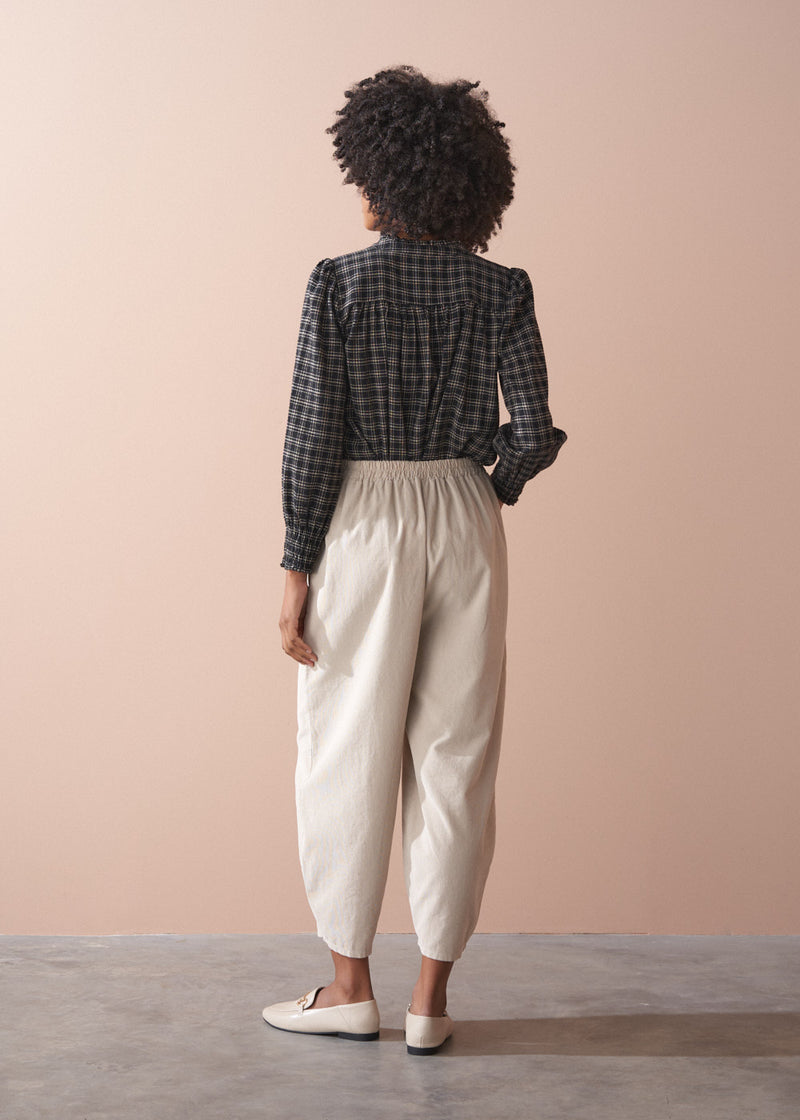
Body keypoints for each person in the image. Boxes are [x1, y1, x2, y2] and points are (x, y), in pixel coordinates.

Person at [263, 64, 567, 1055]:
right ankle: (432, 1001)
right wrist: (490, 486)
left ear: (383, 181)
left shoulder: (338, 281)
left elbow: (312, 434)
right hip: (462, 512)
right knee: (456, 750)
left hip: (361, 516)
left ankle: (349, 986)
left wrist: (296, 565)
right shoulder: (502, 289)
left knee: (346, 746)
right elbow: (534, 430)